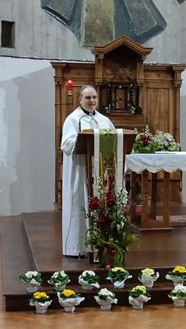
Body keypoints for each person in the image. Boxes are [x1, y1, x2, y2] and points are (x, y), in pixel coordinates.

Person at [60, 85, 115, 257]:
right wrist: (83, 137)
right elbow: (66, 144)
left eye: (94, 97)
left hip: (99, 171)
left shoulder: (104, 120)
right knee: (80, 204)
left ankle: (101, 245)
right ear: (80, 100)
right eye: (88, 98)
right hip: (81, 170)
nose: (92, 101)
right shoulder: (73, 119)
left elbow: (114, 139)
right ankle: (77, 248)